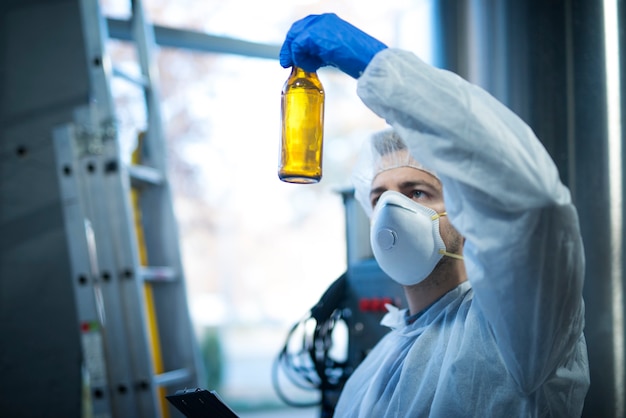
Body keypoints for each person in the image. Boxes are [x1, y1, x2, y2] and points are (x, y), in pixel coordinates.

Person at [279, 13, 590, 417]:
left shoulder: (516, 334)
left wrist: (378, 68)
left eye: (417, 192)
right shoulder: (374, 367)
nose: (392, 212)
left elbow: (531, 203)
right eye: (378, 199)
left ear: (468, 211)